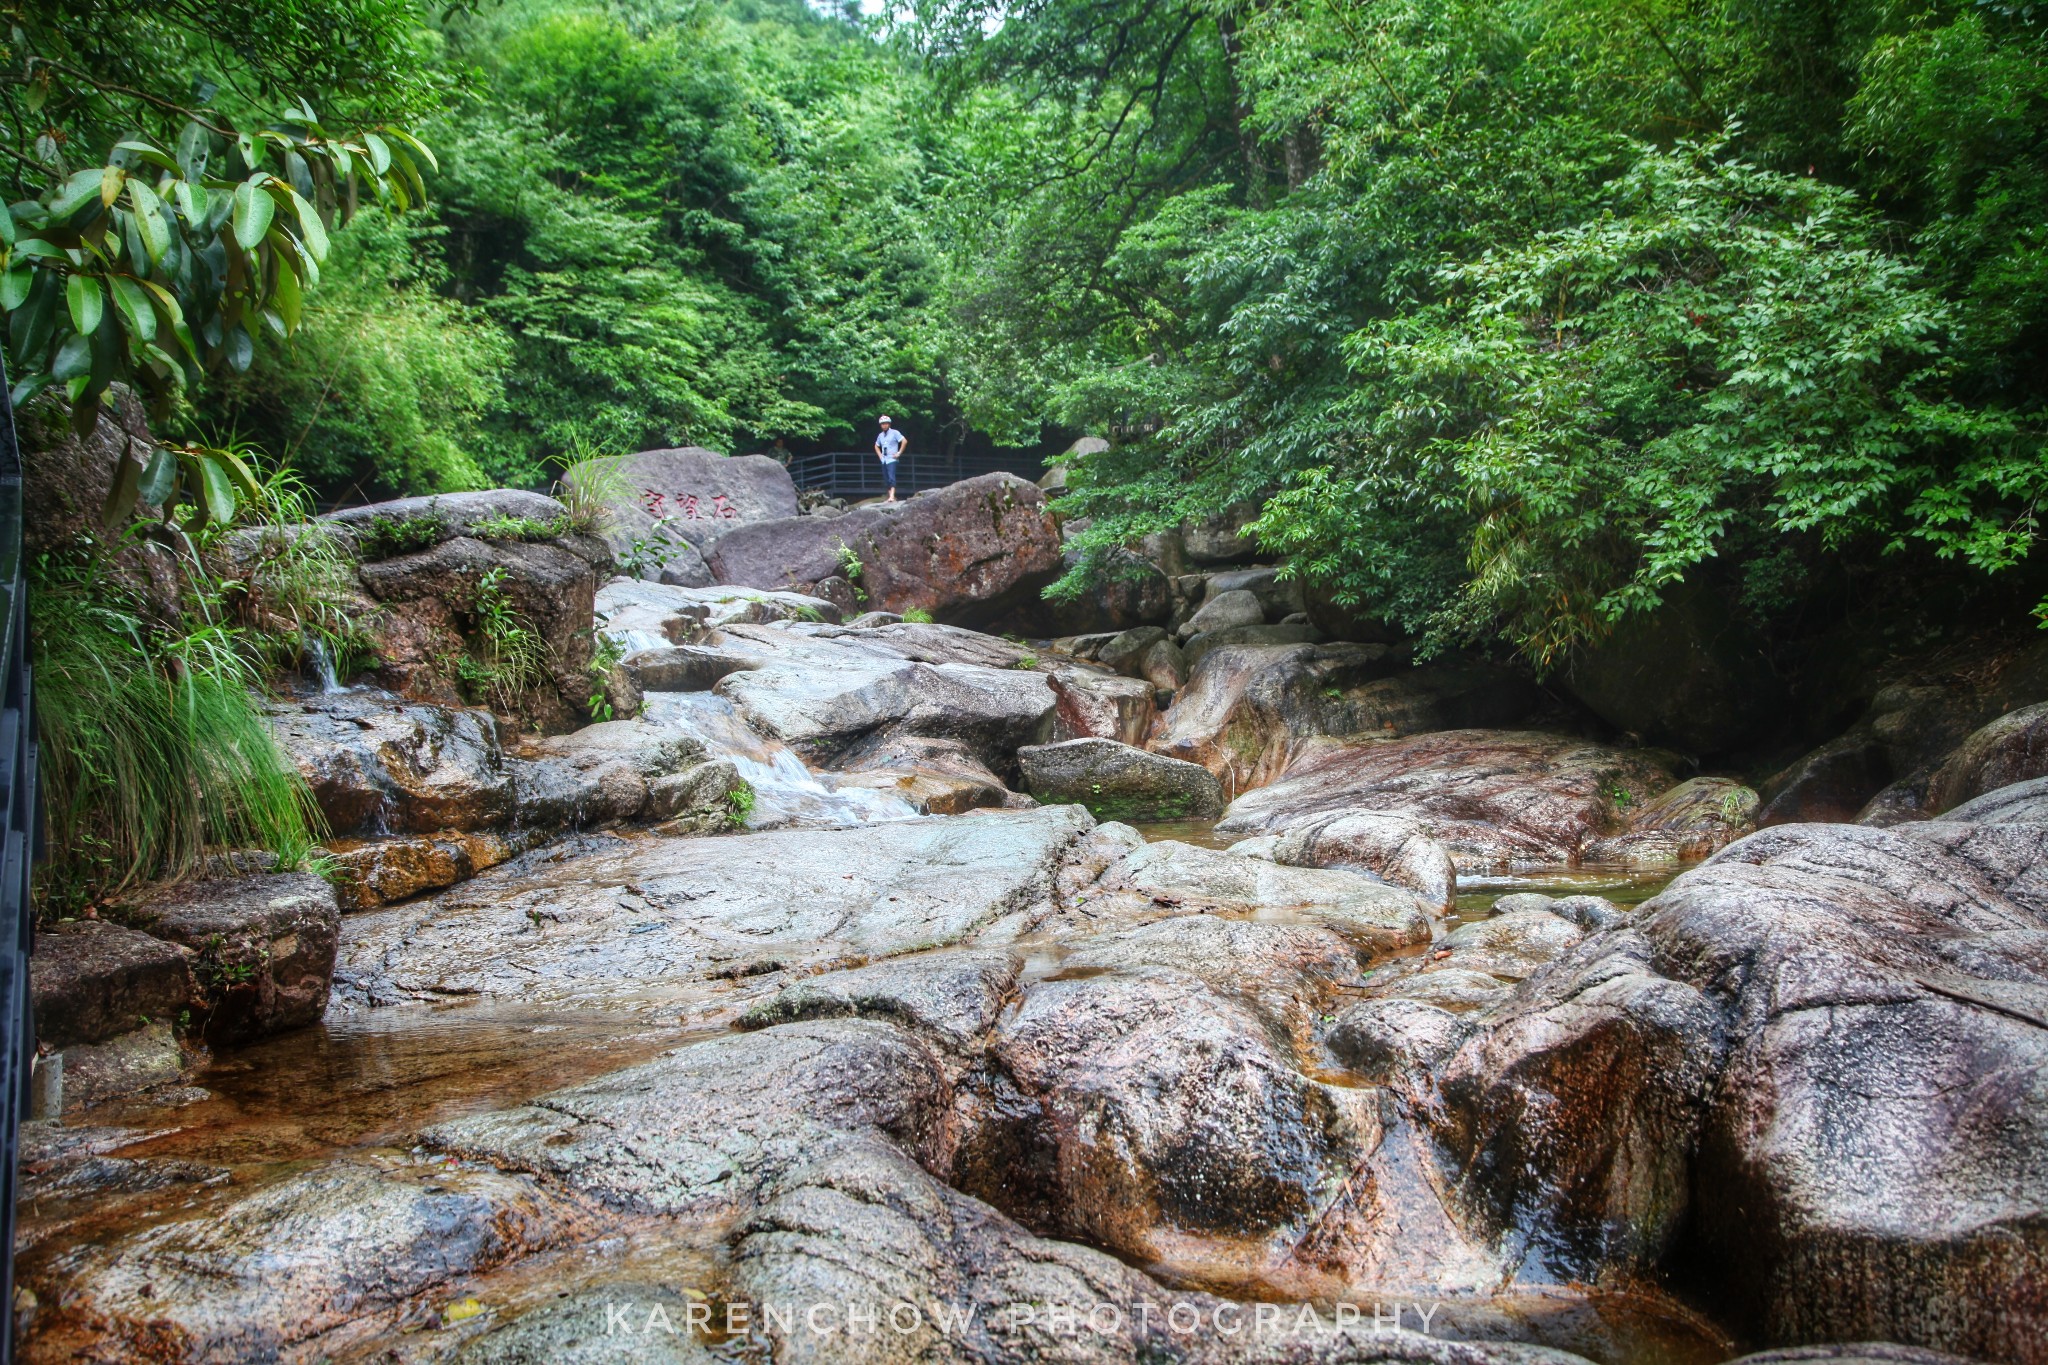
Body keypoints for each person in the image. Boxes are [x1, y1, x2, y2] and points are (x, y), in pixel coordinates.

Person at [873, 415, 905, 502]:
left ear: (889, 424)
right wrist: (880, 456)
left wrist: (899, 453)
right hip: (884, 459)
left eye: (886, 423)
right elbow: (876, 445)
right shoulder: (880, 435)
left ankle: (892, 495)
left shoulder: (895, 432)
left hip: (892, 459)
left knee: (891, 477)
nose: (884, 425)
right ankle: (890, 496)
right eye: (883, 424)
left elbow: (904, 441)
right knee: (886, 478)